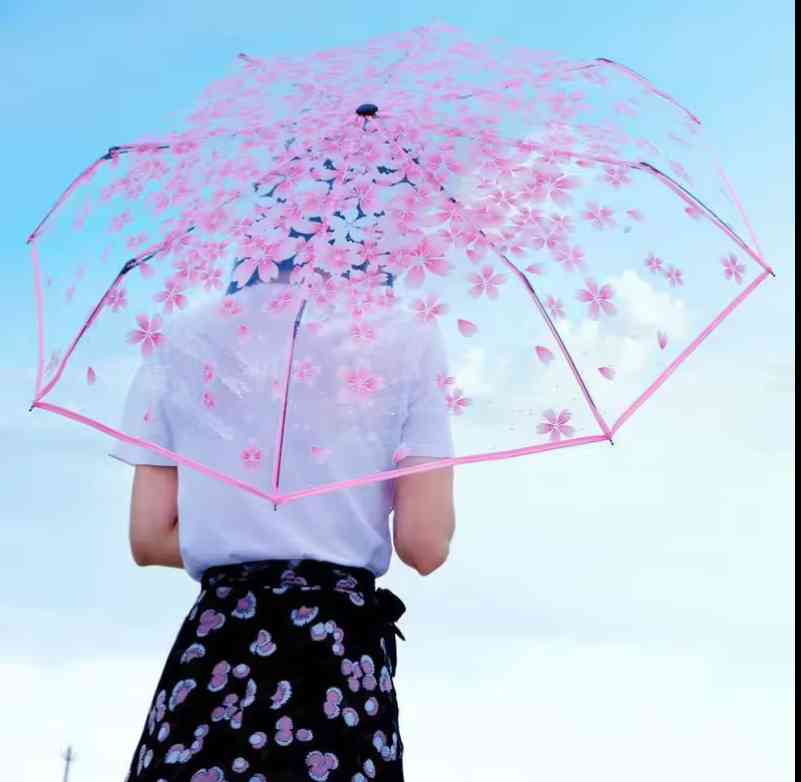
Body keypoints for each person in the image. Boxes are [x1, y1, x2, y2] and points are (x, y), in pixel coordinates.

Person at [111, 270, 456, 781]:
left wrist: (246, 528)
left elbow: (149, 536)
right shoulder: (406, 337)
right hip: (334, 652)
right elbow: (423, 545)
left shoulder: (184, 337)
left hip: (219, 647)